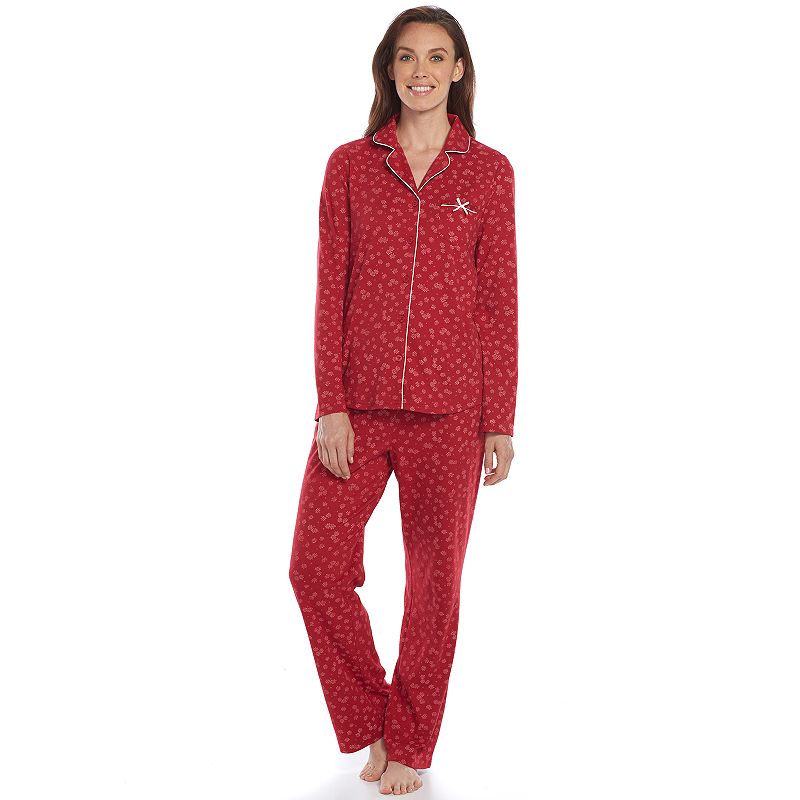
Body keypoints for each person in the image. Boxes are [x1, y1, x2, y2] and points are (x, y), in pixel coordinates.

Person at [289, 7, 518, 795]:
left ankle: (411, 743)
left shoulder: (490, 174)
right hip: (358, 408)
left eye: (437, 57)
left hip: (453, 411)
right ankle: (371, 721)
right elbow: (331, 289)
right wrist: (331, 403)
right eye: (408, 57)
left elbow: (497, 302)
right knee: (314, 568)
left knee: (434, 586)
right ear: (389, 69)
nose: (422, 70)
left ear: (459, 70)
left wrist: (500, 419)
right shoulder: (351, 166)